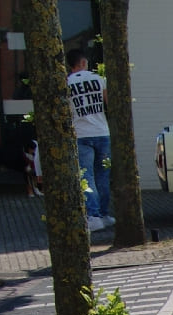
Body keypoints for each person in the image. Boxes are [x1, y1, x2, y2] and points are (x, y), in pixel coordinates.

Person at [66, 48, 112, 231]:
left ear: (71, 65)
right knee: (103, 175)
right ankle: (104, 213)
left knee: (87, 175)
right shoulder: (99, 79)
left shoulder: (67, 83)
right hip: (102, 131)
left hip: (81, 133)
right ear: (84, 62)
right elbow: (108, 103)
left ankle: (92, 216)